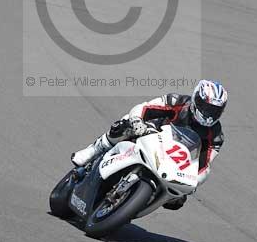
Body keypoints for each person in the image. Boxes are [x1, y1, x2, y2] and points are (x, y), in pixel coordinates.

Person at [71, 80, 228, 209]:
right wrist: (138, 122)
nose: (209, 114)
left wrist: (193, 182)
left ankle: (134, 204)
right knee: (123, 126)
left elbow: (204, 164)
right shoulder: (177, 101)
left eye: (214, 110)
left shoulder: (216, 136)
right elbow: (145, 108)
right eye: (206, 108)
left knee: (178, 201)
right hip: (150, 132)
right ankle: (94, 150)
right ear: (196, 99)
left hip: (173, 159)